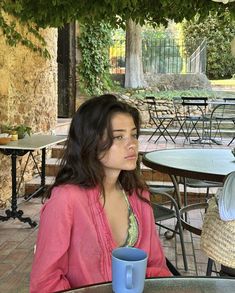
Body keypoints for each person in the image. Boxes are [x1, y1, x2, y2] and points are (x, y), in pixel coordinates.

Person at [30, 94, 171, 292]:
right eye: (119, 137)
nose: (132, 144)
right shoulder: (66, 200)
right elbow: (45, 282)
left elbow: (156, 266)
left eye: (134, 134)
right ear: (91, 142)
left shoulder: (138, 195)